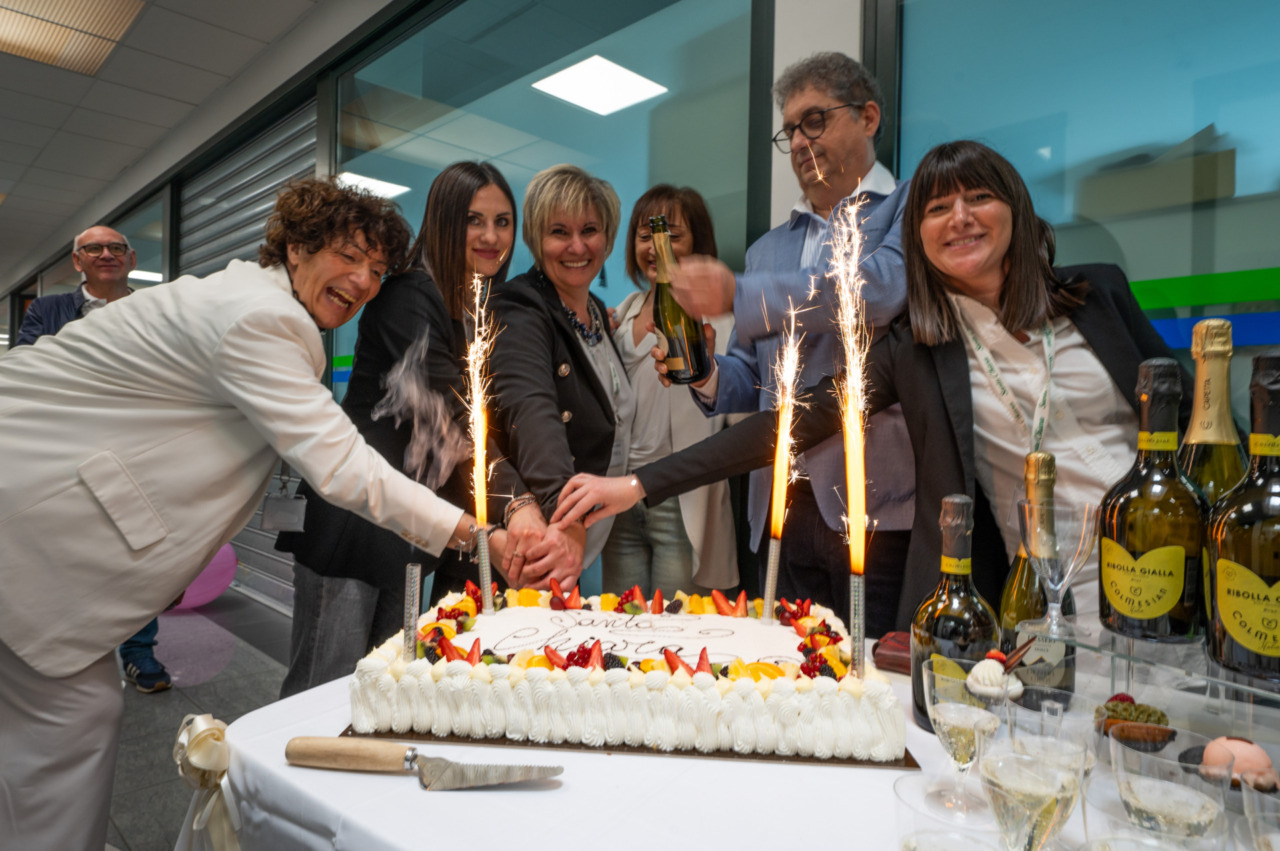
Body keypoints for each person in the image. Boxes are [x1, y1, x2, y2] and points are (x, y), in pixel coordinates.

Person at [0, 177, 506, 850]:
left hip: (31, 523)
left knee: (58, 723)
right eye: (348, 256)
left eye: (378, 271)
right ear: (295, 246)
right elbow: (343, 468)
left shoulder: (240, 300)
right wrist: (478, 532)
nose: (363, 281)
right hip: (26, 531)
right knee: (71, 718)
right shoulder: (257, 316)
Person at [556, 140, 1188, 632]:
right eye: (938, 208)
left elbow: (1194, 419)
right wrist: (637, 484)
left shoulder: (1097, 293)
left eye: (979, 199)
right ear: (918, 236)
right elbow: (788, 423)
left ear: (1015, 209)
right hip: (1037, 597)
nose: (959, 219)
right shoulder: (921, 347)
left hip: (1173, 563)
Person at [274, 163, 553, 698]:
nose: (492, 237)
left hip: (408, 529)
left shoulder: (473, 304)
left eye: (503, 221)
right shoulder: (409, 292)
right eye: (474, 220)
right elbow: (449, 410)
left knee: (380, 692)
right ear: (445, 221)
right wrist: (516, 502)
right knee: (320, 693)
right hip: (353, 522)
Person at [668, 52, 915, 632]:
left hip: (871, 507)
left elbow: (875, 293)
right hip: (777, 506)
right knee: (785, 683)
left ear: (869, 116)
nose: (800, 142)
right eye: (790, 130)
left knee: (868, 685)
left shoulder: (906, 210)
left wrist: (739, 294)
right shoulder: (766, 251)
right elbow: (748, 382)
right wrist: (702, 368)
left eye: (815, 121)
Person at [14, 226, 174, 693]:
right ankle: (72, 643)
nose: (107, 254)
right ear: (77, 261)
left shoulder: (157, 307)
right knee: (74, 548)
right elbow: (26, 367)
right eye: (94, 249)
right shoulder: (49, 310)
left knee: (140, 550)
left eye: (116, 248)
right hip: (70, 450)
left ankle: (139, 652)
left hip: (140, 446)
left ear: (132, 258)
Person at [489, 164, 629, 590]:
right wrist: (564, 514)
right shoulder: (520, 307)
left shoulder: (600, 314)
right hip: (538, 546)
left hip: (583, 539)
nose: (576, 246)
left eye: (589, 229)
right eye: (558, 232)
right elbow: (532, 410)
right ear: (536, 239)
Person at [605, 185, 737, 596]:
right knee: (622, 625)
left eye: (670, 235)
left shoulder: (720, 321)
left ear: (697, 241)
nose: (654, 246)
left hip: (680, 501)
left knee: (675, 630)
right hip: (619, 500)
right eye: (645, 235)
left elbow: (741, 418)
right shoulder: (618, 317)